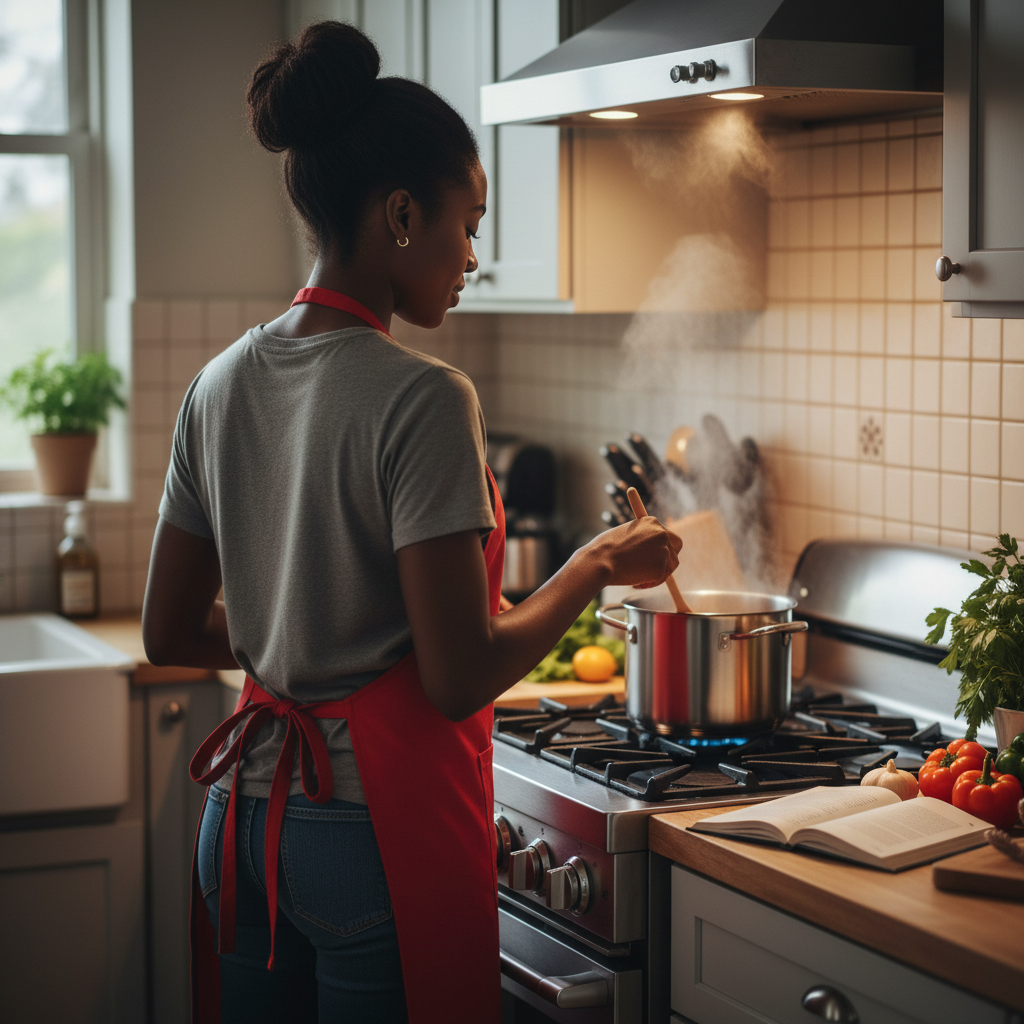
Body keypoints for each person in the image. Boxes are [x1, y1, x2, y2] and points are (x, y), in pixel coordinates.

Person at [142, 20, 680, 1024]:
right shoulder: (424, 396)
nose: (472, 255)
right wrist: (592, 566)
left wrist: (293, 637)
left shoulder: (217, 384)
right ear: (399, 214)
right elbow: (458, 672)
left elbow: (167, 630)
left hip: (239, 825)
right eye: (465, 222)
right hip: (362, 834)